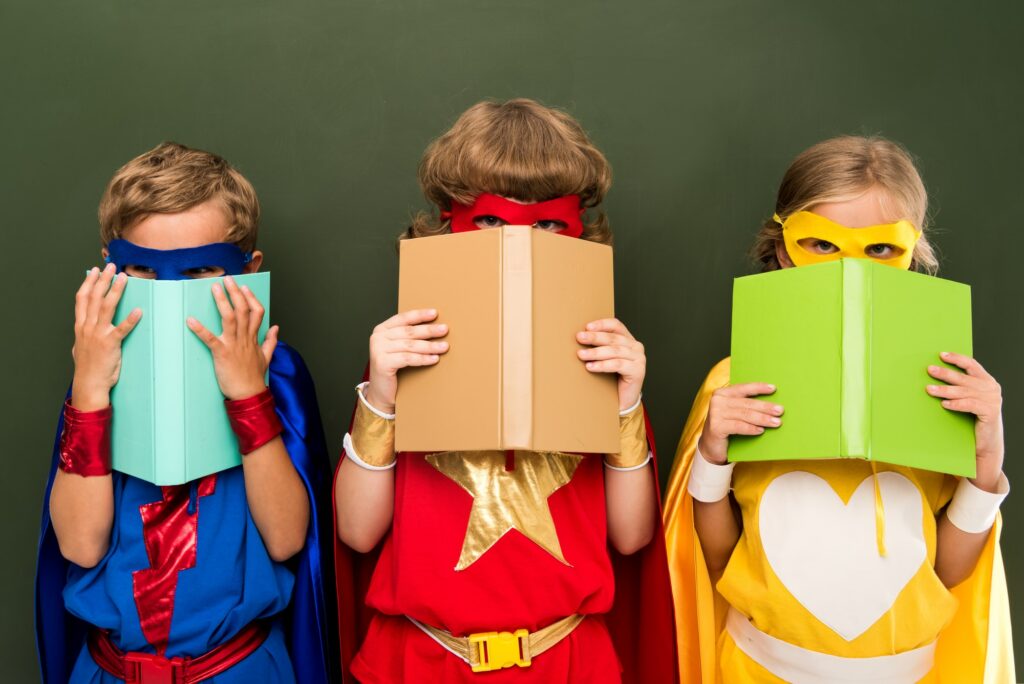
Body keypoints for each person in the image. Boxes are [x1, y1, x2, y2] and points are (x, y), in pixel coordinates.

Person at [333, 99, 677, 683]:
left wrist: (624, 403)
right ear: (448, 224)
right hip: (419, 661)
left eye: (546, 224)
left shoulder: (598, 360)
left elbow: (632, 536)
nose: (517, 245)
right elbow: (357, 533)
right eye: (490, 221)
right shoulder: (408, 356)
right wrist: (381, 398)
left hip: (566, 661)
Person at [663, 135, 1014, 683]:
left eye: (879, 248)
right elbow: (715, 561)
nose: (850, 269)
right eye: (822, 245)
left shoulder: (943, 385)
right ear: (782, 249)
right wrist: (712, 456)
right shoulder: (735, 382)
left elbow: (948, 573)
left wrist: (987, 457)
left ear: (912, 252)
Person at [36, 142, 336, 683]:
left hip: (239, 669)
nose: (170, 294)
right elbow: (80, 545)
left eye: (198, 269)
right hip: (109, 669)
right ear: (109, 270)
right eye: (143, 271)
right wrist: (89, 391)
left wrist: (249, 397)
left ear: (247, 271)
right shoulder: (96, 373)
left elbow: (288, 538)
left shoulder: (279, 373)